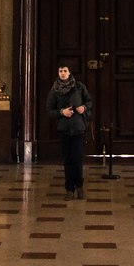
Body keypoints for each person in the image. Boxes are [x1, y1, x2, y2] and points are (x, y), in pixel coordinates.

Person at [46, 64, 92, 198]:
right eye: (60, 71)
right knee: (67, 159)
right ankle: (69, 189)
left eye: (65, 71)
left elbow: (89, 102)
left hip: (78, 128)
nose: (62, 73)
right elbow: (49, 110)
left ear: (69, 72)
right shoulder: (54, 90)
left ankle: (79, 186)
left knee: (77, 158)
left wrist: (84, 108)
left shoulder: (79, 87)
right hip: (64, 129)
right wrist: (61, 112)